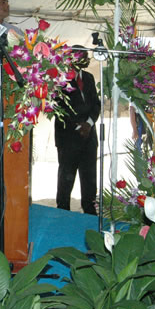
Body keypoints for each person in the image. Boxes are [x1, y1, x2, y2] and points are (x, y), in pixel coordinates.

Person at [55, 47, 100, 215]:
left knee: (89, 178)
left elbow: (96, 104)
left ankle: (89, 212)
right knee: (66, 178)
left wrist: (88, 124)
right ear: (73, 58)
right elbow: (59, 107)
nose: (88, 60)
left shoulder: (88, 78)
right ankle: (63, 213)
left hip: (89, 137)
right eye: (85, 57)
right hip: (68, 137)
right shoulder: (60, 78)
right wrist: (78, 126)